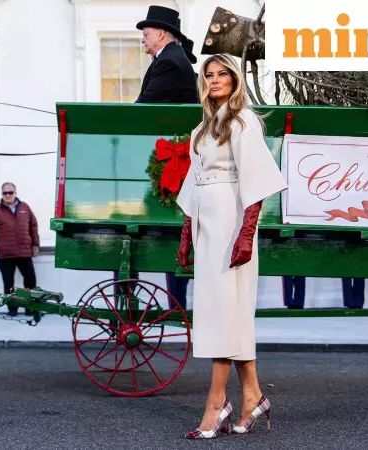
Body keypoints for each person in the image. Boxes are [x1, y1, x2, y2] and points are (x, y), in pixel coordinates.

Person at [175, 53, 288, 439]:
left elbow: (255, 184)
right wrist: (187, 232)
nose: (215, 80)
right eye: (209, 75)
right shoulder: (202, 129)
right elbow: (193, 180)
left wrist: (246, 234)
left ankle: (216, 401)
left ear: (235, 79)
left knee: (224, 308)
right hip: (208, 221)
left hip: (231, 220)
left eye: (223, 74)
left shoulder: (243, 122)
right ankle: (253, 395)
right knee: (225, 308)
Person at [111, 5, 198, 308]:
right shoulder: (172, 59)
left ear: (162, 34)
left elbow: (146, 110)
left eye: (146, 35)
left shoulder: (170, 63)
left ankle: (172, 303)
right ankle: (174, 302)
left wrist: (114, 124)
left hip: (171, 164)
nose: (142, 40)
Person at [0, 182, 39, 316]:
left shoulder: (25, 207)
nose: (7, 195)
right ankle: (12, 309)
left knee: (30, 281)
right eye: (5, 193)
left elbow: (33, 227)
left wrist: (35, 245)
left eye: (10, 193)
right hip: (5, 254)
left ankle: (30, 308)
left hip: (24, 252)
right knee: (9, 283)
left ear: (15, 193)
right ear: (2, 195)